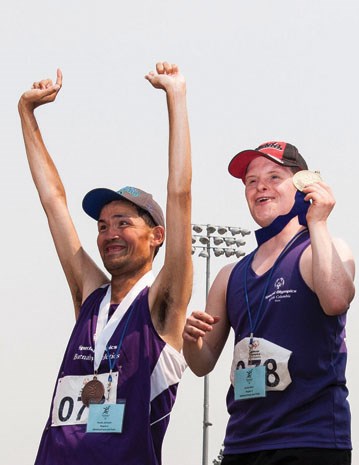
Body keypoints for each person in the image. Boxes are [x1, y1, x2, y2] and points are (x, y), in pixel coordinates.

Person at [19, 62, 193, 465]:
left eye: (123, 222)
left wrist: (176, 98)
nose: (109, 233)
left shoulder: (162, 306)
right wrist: (25, 114)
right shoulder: (90, 297)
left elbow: (180, 195)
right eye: (102, 225)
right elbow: (53, 204)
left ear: (157, 236)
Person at [183, 141, 355, 465]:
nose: (260, 185)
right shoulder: (229, 275)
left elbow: (336, 300)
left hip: (310, 441)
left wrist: (317, 222)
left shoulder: (324, 250)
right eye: (251, 181)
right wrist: (190, 339)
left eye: (274, 176)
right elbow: (202, 363)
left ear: (305, 186)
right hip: (241, 443)